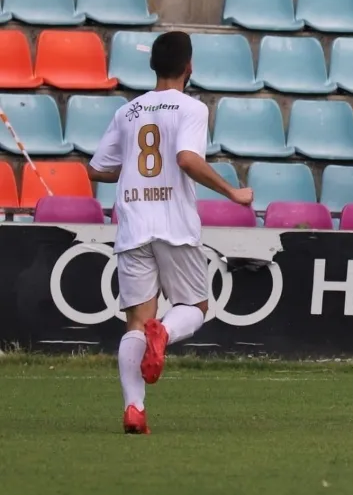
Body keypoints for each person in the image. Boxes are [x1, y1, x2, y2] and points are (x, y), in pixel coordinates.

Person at [87, 31, 253, 434]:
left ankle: (134, 410)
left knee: (135, 323)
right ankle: (165, 333)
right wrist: (232, 190)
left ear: (153, 66)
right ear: (189, 66)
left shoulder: (128, 112)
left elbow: (95, 168)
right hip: (174, 224)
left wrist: (130, 171)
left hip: (134, 224)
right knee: (195, 308)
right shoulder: (191, 108)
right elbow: (187, 159)